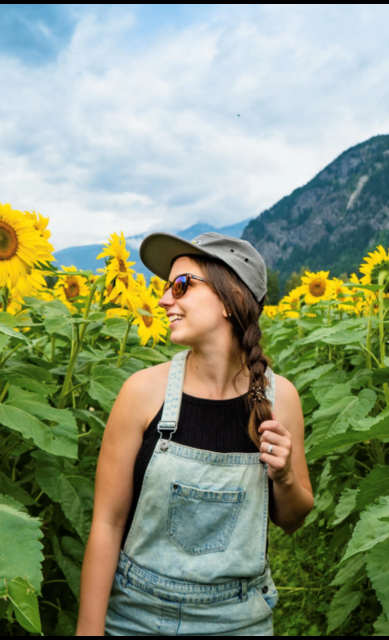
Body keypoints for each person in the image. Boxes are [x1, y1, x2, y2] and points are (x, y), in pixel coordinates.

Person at [76, 232, 314, 636]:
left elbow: (292, 519)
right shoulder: (142, 393)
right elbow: (108, 523)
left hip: (239, 621)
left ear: (231, 299)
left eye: (181, 285)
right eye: (166, 287)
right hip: (136, 616)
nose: (165, 300)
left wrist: (285, 476)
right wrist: (88, 630)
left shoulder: (280, 398)